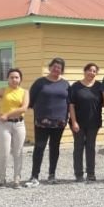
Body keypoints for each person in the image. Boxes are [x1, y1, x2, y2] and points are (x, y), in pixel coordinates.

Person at [0, 68, 29, 188]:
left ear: (20, 79)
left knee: (18, 153)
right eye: (11, 77)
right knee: (4, 153)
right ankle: (2, 180)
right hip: (4, 125)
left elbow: (23, 108)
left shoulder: (25, 92)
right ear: (8, 79)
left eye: (16, 77)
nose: (14, 79)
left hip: (19, 125)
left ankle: (17, 179)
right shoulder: (3, 91)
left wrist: (7, 114)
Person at [27, 57, 70, 185]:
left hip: (59, 121)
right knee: (40, 147)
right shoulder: (40, 82)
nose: (56, 69)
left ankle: (52, 175)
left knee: (54, 147)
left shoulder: (65, 84)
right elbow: (31, 100)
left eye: (59, 67)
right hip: (42, 121)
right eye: (54, 66)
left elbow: (69, 102)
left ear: (62, 70)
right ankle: (34, 176)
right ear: (50, 67)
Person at [68, 62, 103, 182]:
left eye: (94, 71)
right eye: (89, 70)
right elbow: (71, 105)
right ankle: (78, 174)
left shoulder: (99, 86)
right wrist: (74, 122)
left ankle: (91, 174)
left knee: (91, 147)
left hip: (94, 122)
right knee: (78, 147)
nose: (91, 73)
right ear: (85, 71)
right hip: (78, 123)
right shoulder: (75, 86)